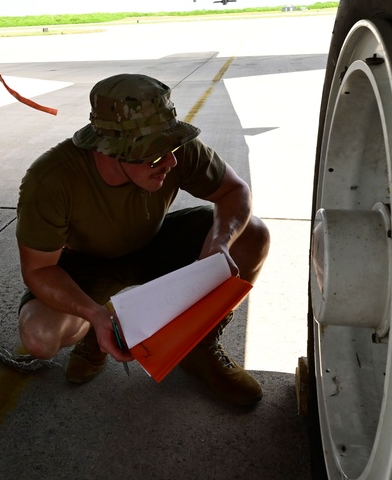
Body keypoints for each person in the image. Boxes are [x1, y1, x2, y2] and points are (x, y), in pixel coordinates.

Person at [15, 73, 271, 406]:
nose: (171, 162)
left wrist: (218, 246)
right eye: (153, 155)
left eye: (172, 147)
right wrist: (94, 314)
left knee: (252, 235)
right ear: (108, 150)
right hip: (87, 262)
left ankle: (198, 343)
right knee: (40, 335)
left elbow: (235, 190)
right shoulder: (50, 180)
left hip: (154, 242)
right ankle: (98, 333)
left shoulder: (173, 152)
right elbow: (37, 270)